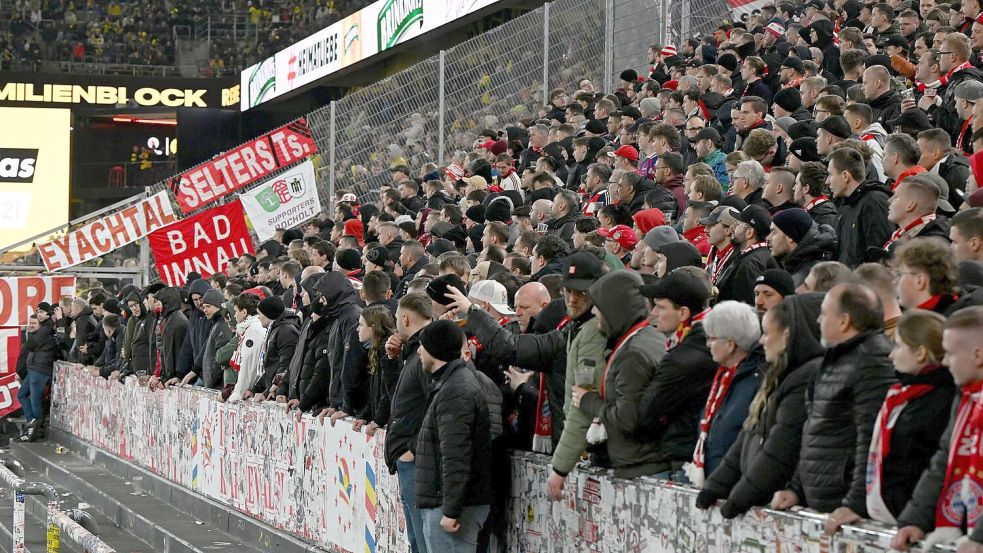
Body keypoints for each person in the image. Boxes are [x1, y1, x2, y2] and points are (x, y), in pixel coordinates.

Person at [824, 310, 955, 532]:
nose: (891, 355)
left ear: (921, 353)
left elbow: (931, 467)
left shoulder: (943, 400)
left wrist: (913, 518)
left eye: (899, 346)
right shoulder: (900, 394)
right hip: (892, 517)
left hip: (915, 524)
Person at [771, 283, 896, 515]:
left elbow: (870, 439)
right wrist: (796, 488)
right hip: (823, 502)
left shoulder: (873, 362)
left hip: (845, 506)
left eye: (825, 313)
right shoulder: (833, 359)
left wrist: (855, 504)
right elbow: (815, 429)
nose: (818, 320)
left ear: (844, 321)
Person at [697, 294, 824, 517]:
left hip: (776, 502)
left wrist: (740, 497)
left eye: (767, 334)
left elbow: (780, 448)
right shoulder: (776, 374)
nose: (762, 340)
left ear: (787, 336)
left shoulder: (803, 377)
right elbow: (748, 435)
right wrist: (715, 485)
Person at [893, 307, 983, 552]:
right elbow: (943, 460)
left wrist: (980, 536)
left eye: (951, 354)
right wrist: (916, 518)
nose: (943, 362)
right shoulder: (965, 398)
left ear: (978, 355)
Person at [571, 270, 667, 478]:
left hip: (643, 469)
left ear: (614, 308)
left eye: (599, 305)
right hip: (645, 463)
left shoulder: (633, 354)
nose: (594, 311)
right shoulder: (649, 337)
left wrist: (589, 401)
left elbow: (628, 418)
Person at [414, 320, 493, 553]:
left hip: (452, 506)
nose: (418, 351)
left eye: (422, 346)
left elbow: (456, 455)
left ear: (435, 350)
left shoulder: (455, 390)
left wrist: (450, 511)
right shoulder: (450, 383)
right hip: (447, 501)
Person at [638, 268, 718, 480]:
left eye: (661, 307)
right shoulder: (702, 338)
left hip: (687, 457)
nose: (653, 313)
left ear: (683, 313)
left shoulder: (687, 355)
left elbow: (647, 411)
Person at [683, 301, 764, 486]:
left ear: (730, 344)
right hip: (713, 482)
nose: (707, 344)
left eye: (712, 338)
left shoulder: (756, 382)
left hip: (735, 487)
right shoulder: (722, 376)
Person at [385, 293, 434, 553]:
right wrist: (391, 361)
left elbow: (436, 406)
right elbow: (399, 399)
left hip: (418, 460)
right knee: (417, 541)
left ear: (404, 317)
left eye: (396, 318)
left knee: (423, 541)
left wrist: (412, 449)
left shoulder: (427, 351)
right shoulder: (413, 352)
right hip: (410, 458)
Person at [18, 311, 57, 442]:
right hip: (32, 369)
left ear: (41, 326)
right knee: (21, 394)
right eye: (30, 323)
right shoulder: (34, 335)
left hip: (40, 370)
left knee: (35, 400)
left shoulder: (44, 336)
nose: (31, 325)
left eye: (34, 323)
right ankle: (32, 423)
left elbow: (29, 348)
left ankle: (37, 429)